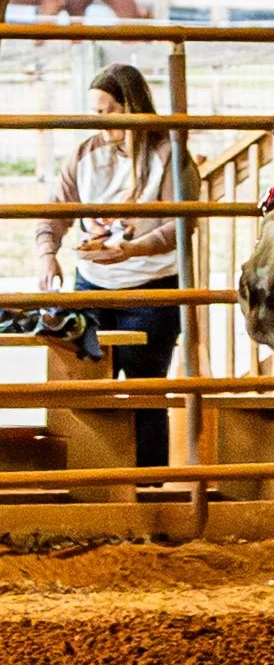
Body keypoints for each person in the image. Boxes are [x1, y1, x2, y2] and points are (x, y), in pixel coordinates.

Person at [35, 62, 198, 468]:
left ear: (130, 106)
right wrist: (47, 251)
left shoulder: (169, 156)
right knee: (85, 383)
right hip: (92, 281)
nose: (97, 121)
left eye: (105, 111)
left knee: (146, 388)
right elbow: (54, 209)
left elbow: (180, 225)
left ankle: (148, 484)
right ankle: (93, 476)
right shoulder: (84, 154)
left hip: (151, 286)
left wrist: (132, 250)